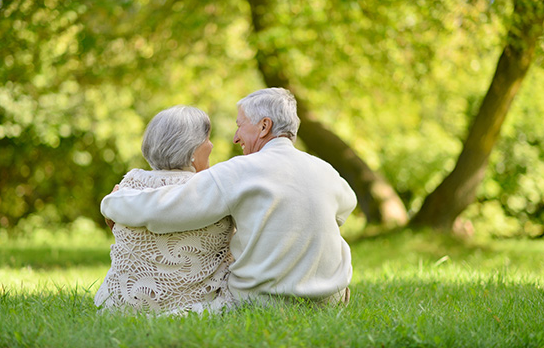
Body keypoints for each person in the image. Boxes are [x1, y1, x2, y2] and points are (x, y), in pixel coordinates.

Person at [101, 88, 357, 306]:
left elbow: (167, 208)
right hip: (329, 300)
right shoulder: (326, 171)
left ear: (264, 126)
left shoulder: (239, 171)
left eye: (239, 126)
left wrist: (112, 202)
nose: (235, 138)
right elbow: (347, 205)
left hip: (263, 300)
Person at [94, 106, 234, 315]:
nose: (211, 145)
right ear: (193, 150)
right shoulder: (211, 190)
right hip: (190, 305)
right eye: (207, 139)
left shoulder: (130, 184)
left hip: (120, 305)